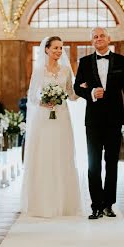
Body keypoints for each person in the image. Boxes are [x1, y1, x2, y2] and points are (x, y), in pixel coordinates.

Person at [73, 27, 124, 220]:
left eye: (101, 36)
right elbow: (76, 87)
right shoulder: (84, 62)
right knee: (93, 164)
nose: (98, 39)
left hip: (115, 118)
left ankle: (109, 204)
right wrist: (90, 92)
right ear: (92, 41)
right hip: (93, 119)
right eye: (95, 37)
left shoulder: (121, 60)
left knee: (111, 162)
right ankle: (96, 206)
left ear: (109, 39)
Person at [20, 36, 85, 217]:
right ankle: (43, 202)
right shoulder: (39, 70)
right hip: (44, 118)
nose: (58, 51)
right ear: (47, 49)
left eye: (61, 48)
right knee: (45, 155)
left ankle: (64, 202)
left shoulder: (65, 70)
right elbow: (32, 96)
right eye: (55, 48)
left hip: (62, 116)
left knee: (62, 154)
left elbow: (71, 95)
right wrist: (43, 102)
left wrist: (82, 90)